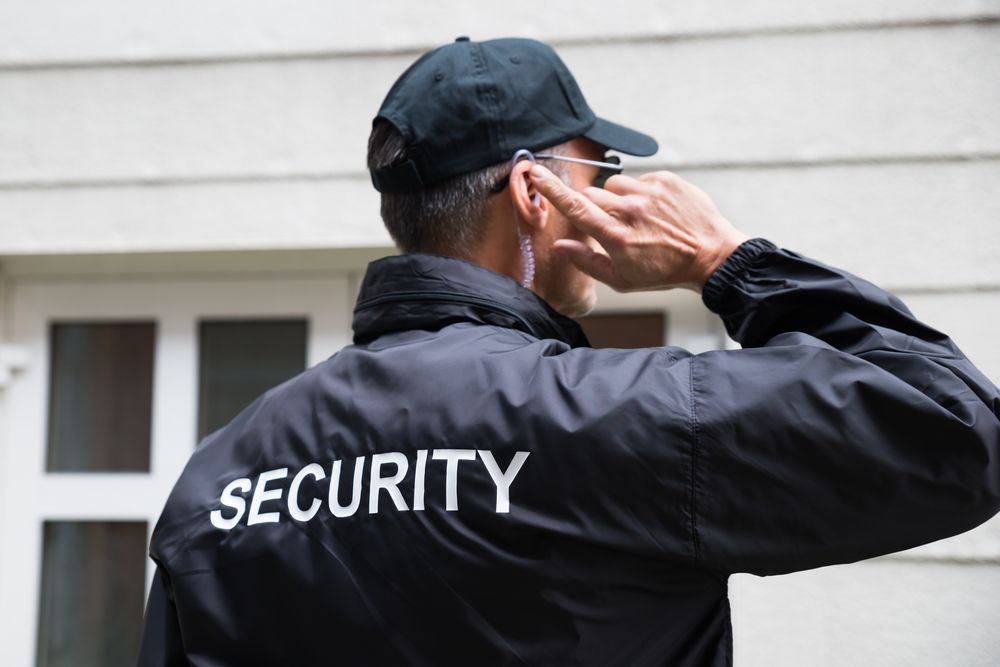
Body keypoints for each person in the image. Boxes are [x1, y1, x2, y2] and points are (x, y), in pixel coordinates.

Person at [138, 36, 1000, 666]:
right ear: (534, 192)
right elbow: (957, 428)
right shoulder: (618, 416)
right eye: (602, 171)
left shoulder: (221, 473)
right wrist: (725, 261)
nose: (616, 192)